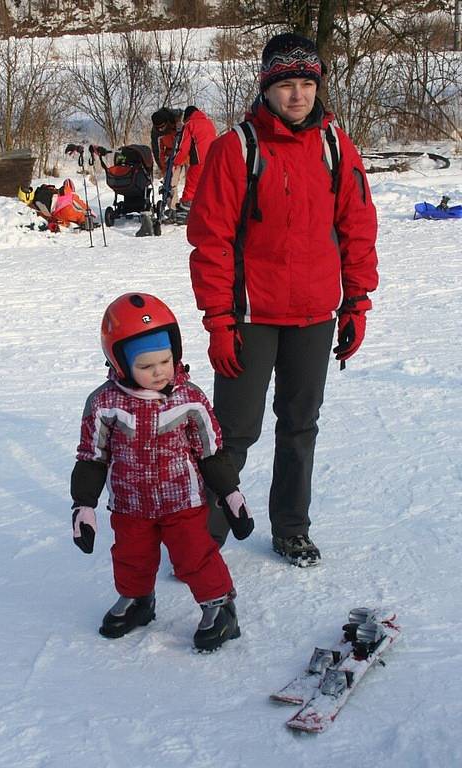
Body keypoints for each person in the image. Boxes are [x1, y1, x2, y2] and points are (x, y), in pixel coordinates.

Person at [187, 33, 378, 566]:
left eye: (307, 84)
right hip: (251, 317)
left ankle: (292, 527)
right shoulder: (236, 149)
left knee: (299, 426)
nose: (298, 96)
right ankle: (205, 534)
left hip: (315, 315)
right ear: (267, 89)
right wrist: (219, 320)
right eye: (287, 85)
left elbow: (357, 228)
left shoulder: (336, 147)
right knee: (234, 433)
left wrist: (356, 303)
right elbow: (211, 241)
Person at [70, 293, 253, 651]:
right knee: (130, 555)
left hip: (182, 500)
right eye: (147, 366)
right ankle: (138, 600)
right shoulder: (105, 404)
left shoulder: (189, 399)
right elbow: (91, 457)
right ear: (120, 364)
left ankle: (219, 606)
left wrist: (230, 493)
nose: (159, 372)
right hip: (130, 503)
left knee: (194, 554)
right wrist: (83, 505)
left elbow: (210, 451)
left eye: (166, 361)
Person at [171, 106, 217, 223]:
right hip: (213, 159)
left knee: (191, 186)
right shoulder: (209, 122)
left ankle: (186, 210)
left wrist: (175, 161)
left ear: (187, 117)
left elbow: (184, 147)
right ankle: (206, 210)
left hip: (198, 161)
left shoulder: (190, 124)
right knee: (206, 187)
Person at [150, 107, 184, 209]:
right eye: (158, 128)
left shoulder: (175, 116)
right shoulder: (155, 132)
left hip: (182, 150)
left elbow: (184, 114)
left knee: (180, 180)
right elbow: (156, 150)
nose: (161, 129)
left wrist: (179, 123)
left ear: (167, 122)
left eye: (163, 127)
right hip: (169, 154)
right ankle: (172, 208)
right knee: (168, 182)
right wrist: (162, 167)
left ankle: (187, 204)